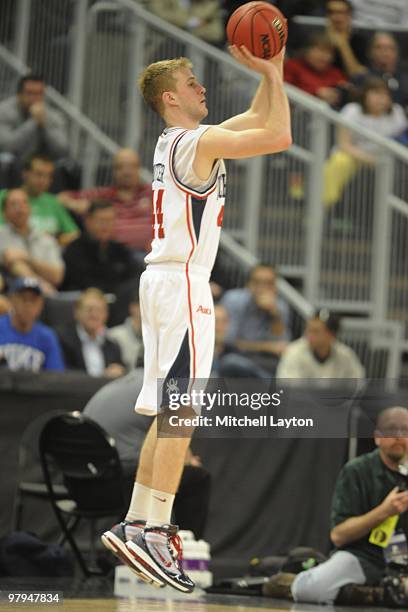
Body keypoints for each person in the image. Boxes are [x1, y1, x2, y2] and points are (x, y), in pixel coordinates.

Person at [101, 46, 292, 593]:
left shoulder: (176, 142)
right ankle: (156, 530)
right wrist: (275, 71)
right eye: (191, 83)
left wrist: (266, 72)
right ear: (169, 97)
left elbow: (258, 118)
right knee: (181, 413)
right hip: (183, 281)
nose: (201, 88)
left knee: (170, 411)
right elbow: (278, 135)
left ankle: (138, 521)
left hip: (163, 280)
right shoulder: (196, 141)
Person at [263, 406, 408, 607]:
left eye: (406, 430)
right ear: (377, 437)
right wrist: (384, 511)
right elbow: (339, 535)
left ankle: (370, 593)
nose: (400, 436)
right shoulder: (357, 470)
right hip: (362, 558)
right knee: (310, 590)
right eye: (392, 430)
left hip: (402, 564)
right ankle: (288, 582)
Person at [84, 370, 211, 540]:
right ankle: (186, 552)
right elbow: (173, 432)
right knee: (198, 477)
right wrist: (189, 460)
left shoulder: (112, 386)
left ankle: (130, 536)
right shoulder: (161, 386)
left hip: (81, 486)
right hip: (118, 486)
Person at [324, 78, 407, 208]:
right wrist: (370, 160)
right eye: (376, 93)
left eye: (385, 94)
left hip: (385, 158)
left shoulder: (396, 112)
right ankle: (325, 204)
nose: (381, 99)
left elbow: (402, 139)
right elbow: (344, 145)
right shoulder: (352, 110)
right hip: (354, 155)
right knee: (340, 161)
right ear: (365, 94)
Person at [58, 149, 151, 252]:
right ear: (113, 171)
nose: (126, 172)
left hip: (152, 254)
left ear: (139, 169)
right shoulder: (102, 195)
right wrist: (82, 206)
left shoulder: (152, 193)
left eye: (131, 166)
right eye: (120, 167)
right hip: (114, 254)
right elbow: (62, 198)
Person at [221, 264, 291, 374]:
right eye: (257, 282)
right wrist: (267, 347)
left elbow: (281, 346)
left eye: (268, 283)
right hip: (234, 356)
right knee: (231, 362)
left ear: (275, 287)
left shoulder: (279, 307)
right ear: (248, 284)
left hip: (266, 361)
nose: (262, 288)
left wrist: (275, 316)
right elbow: (228, 341)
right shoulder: (233, 300)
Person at [62, 200, 140, 294]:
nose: (105, 225)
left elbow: (133, 277)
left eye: (110, 220)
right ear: (88, 221)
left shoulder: (121, 250)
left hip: (118, 300)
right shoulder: (74, 250)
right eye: (101, 220)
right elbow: (77, 282)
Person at [0, 155, 79, 246]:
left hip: (47, 254)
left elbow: (74, 234)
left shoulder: (54, 202)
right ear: (25, 174)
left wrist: (50, 241)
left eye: (48, 176)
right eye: (38, 174)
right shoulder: (5, 196)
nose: (43, 180)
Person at [0, 189, 64, 293]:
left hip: (45, 297)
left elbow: (57, 276)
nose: (19, 208)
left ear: (30, 208)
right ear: (4, 212)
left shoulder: (46, 239)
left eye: (24, 203)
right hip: (12, 294)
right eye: (13, 204)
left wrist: (27, 257)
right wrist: (41, 286)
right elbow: (14, 263)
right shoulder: (1, 235)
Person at [56, 288, 126, 379]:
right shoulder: (62, 339)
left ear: (106, 315)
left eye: (100, 310)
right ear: (77, 312)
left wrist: (120, 372)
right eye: (90, 309)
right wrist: (102, 378)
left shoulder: (113, 346)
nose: (94, 314)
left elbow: (122, 372)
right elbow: (63, 374)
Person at [0, 74, 68, 164]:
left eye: (39, 93)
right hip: (15, 161)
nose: (35, 98)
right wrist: (34, 122)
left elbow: (63, 149)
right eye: (30, 93)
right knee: (6, 158)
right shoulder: (4, 111)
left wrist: (44, 124)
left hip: (42, 164)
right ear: (19, 95)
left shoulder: (52, 115)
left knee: (68, 165)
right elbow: (7, 147)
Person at [276, 309, 365, 379]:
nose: (308, 335)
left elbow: (358, 382)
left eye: (315, 331)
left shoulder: (345, 355)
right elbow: (287, 388)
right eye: (308, 329)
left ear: (331, 335)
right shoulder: (294, 352)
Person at [0, 277, 64, 372]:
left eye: (33, 300)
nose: (28, 305)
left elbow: (56, 377)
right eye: (23, 299)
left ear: (41, 305)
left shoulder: (47, 337)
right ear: (12, 300)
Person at [284, 32, 349, 107]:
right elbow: (284, 91)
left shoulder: (335, 73)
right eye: (321, 51)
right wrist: (315, 93)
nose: (326, 57)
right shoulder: (292, 66)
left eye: (330, 53)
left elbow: (344, 88)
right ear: (307, 50)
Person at [359, 32, 408, 110]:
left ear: (397, 53)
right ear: (370, 52)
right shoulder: (362, 79)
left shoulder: (405, 79)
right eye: (379, 47)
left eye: (390, 48)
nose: (385, 52)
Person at [324, 0, 367, 77]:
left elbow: (357, 74)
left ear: (349, 15)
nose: (335, 17)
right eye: (331, 12)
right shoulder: (318, 38)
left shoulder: (360, 41)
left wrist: (343, 44)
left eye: (340, 12)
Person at [107, 291, 144, 371]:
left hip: (152, 381)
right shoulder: (114, 335)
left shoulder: (159, 337)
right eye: (143, 305)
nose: (147, 311)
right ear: (132, 307)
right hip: (125, 381)